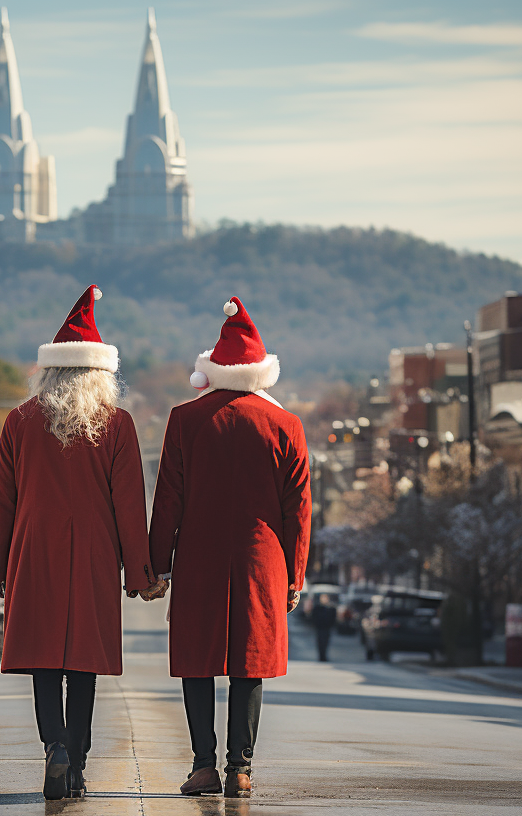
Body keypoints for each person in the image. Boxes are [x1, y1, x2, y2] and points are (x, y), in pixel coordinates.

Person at [0, 285, 158, 801]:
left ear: (49, 372)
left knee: (43, 662)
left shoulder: (18, 421)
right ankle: (77, 762)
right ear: (102, 374)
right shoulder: (117, 424)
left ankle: (54, 747)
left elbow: (3, 502)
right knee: (83, 663)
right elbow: (130, 506)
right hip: (95, 556)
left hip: (33, 552)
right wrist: (140, 574)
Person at [151, 297, 311, 799]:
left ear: (213, 372)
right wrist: (295, 575)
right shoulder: (287, 426)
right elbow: (298, 511)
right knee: (250, 662)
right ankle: (240, 768)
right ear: (262, 375)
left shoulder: (184, 419)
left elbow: (168, 498)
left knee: (198, 661)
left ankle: (203, 765)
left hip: (197, 556)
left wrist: (157, 566)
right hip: (262, 560)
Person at [311, 594, 337, 662]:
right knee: (320, 643)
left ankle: (324, 656)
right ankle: (321, 656)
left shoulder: (331, 608)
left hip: (327, 628)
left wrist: (330, 625)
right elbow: (313, 617)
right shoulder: (317, 608)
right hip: (319, 628)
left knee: (326, 642)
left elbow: (333, 618)